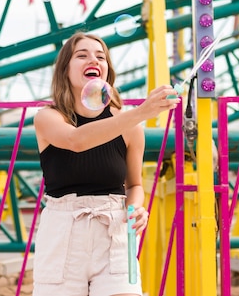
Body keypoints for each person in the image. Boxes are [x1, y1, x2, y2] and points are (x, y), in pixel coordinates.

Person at [32, 32, 180, 296]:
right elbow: (76, 141)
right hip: (62, 230)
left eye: (101, 56)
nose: (94, 60)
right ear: (65, 69)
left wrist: (137, 207)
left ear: (107, 71)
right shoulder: (48, 117)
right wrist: (141, 112)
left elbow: (134, 184)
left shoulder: (131, 127)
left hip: (114, 229)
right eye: (82, 55)